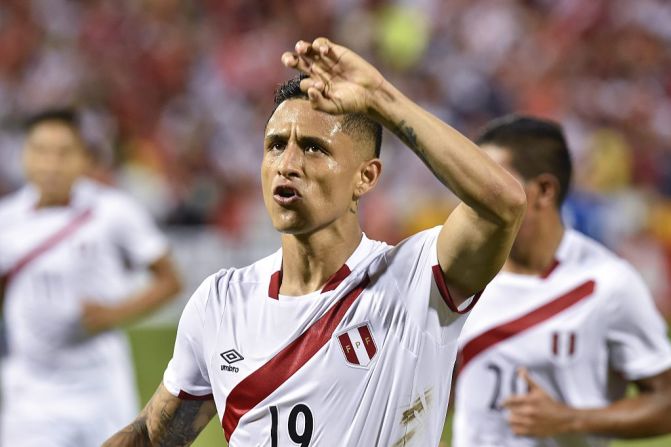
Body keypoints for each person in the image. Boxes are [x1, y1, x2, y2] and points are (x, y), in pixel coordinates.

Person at [104, 37, 526, 446]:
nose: (287, 164)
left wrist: (380, 98)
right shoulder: (221, 301)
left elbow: (502, 204)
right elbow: (151, 435)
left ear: (366, 176)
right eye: (274, 146)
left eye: (312, 148)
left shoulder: (415, 279)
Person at [451, 115, 671, 447]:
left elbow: (666, 400)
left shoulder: (607, 284)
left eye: (494, 182)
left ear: (543, 191)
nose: (477, 196)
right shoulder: (458, 274)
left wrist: (570, 419)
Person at [0, 108, 182, 446]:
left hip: (100, 386)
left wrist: (113, 314)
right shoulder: (5, 220)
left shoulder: (113, 211)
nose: (51, 163)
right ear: (24, 155)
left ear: (84, 158)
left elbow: (169, 279)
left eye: (63, 153)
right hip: (29, 392)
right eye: (40, 151)